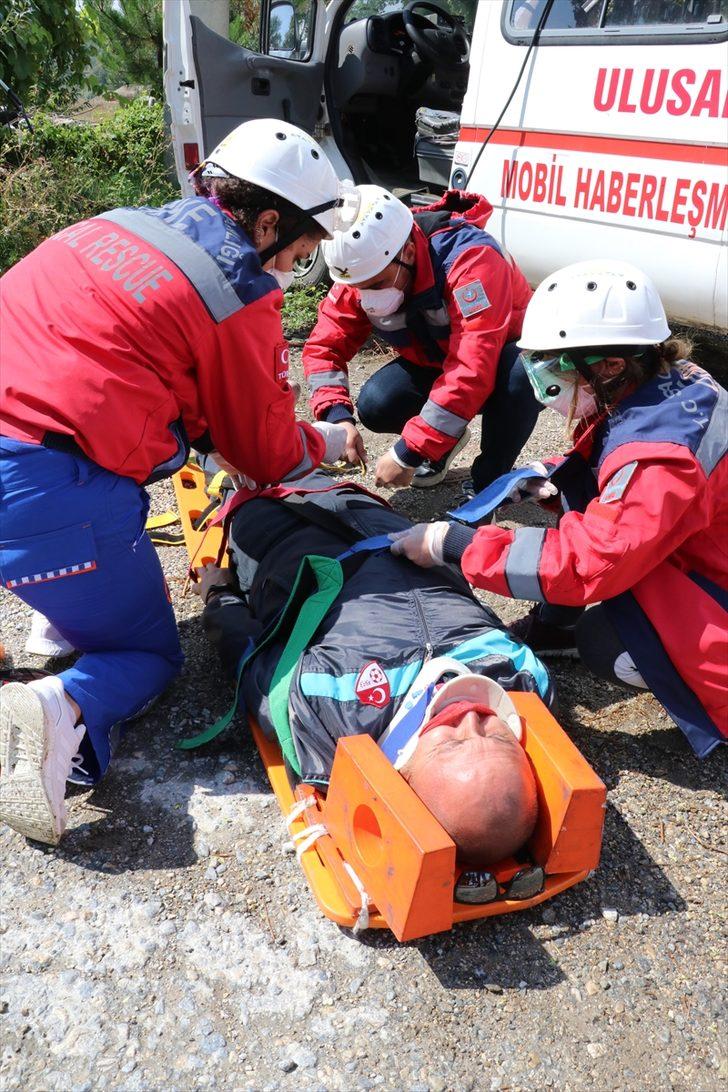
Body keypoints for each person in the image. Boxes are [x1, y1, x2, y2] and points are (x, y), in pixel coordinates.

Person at [0, 118, 357, 845]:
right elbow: (264, 453)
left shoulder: (117, 224)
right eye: (302, 248)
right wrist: (325, 439)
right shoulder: (235, 291)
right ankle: (61, 706)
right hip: (35, 485)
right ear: (266, 223)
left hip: (20, 442)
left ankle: (59, 607)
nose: (297, 263)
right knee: (151, 656)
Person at [390, 259, 728, 759]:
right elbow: (620, 461)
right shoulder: (670, 380)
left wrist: (454, 544)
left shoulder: (659, 458)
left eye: (558, 364)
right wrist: (550, 474)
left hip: (711, 590)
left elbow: (593, 560)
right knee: (577, 501)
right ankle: (558, 627)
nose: (546, 378)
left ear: (611, 365)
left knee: (603, 644)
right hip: (702, 552)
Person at [195, 472, 551, 865]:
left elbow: (248, 656)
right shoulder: (520, 677)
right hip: (381, 521)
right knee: (303, 468)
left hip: (283, 541)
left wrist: (218, 595)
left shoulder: (331, 709)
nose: (470, 718)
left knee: (241, 470)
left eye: (452, 742)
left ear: (405, 779)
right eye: (497, 737)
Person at [302, 185, 541, 492]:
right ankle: (444, 443)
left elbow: (472, 367)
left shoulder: (470, 261)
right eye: (360, 288)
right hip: (442, 359)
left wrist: (408, 453)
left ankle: (488, 486)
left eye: (376, 284)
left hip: (502, 359)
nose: (367, 296)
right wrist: (337, 418)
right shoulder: (367, 265)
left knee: (520, 377)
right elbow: (325, 345)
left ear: (409, 252)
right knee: (377, 404)